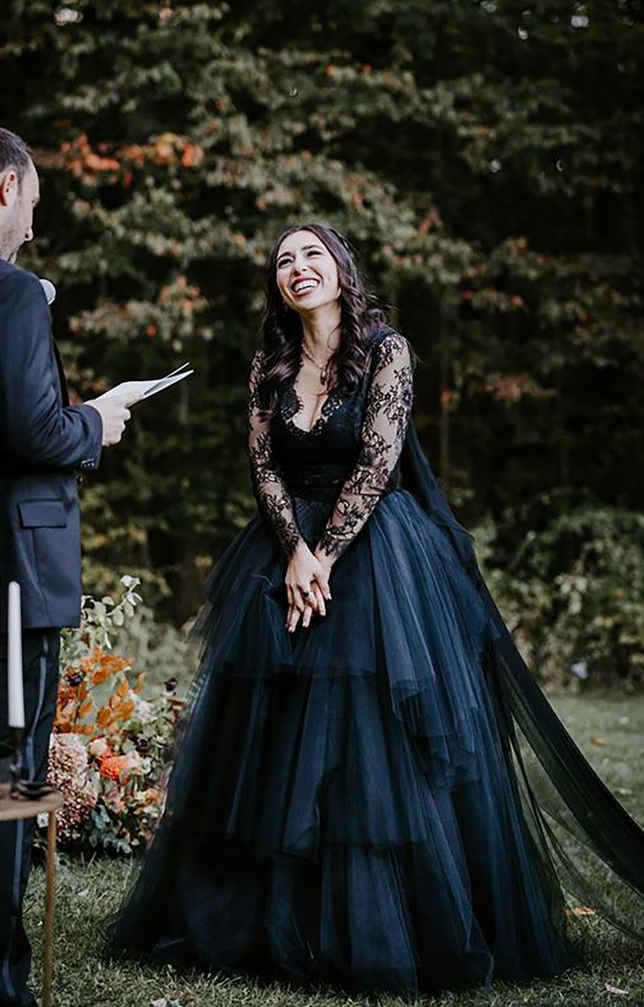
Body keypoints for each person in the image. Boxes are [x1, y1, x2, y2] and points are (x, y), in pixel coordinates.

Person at [109, 223, 644, 995]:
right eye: (285, 260)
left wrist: (322, 556)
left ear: (340, 270)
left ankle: (388, 920)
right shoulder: (270, 363)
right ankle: (266, 920)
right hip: (282, 550)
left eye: (312, 255)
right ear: (277, 285)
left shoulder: (386, 350)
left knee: (372, 740)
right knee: (275, 735)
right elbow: (262, 467)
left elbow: (378, 460)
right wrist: (294, 548)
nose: (298, 268)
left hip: (375, 554)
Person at [0, 124, 132, 1007]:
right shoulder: (7, 293)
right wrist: (97, 421)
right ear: (7, 188)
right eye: (35, 206)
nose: (34, 229)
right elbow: (34, 432)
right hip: (3, 583)